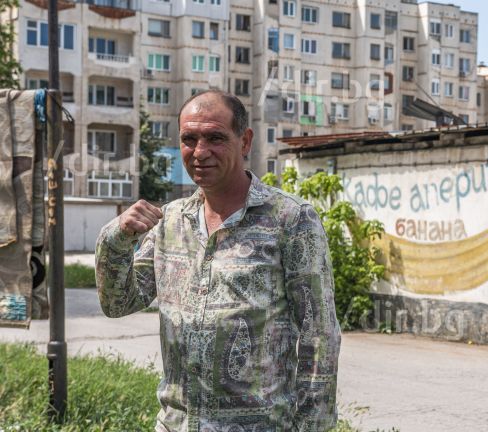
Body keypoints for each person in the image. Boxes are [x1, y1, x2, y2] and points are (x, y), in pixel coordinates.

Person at [95, 90, 341, 432]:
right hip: (176, 424)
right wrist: (116, 238)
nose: (200, 152)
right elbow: (119, 303)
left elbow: (320, 334)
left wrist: (312, 425)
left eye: (215, 138)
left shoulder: (291, 220)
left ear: (245, 141)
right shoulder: (169, 221)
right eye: (189, 139)